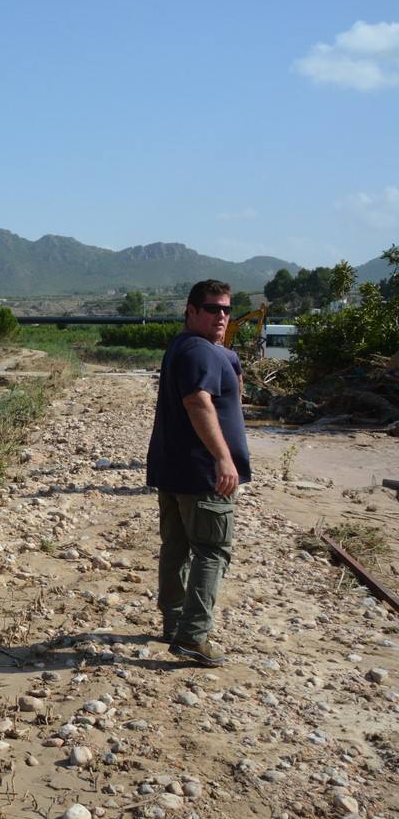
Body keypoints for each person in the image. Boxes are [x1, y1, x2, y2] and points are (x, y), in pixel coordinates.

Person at [145, 279, 250, 667]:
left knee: (176, 546)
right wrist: (224, 458)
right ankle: (192, 636)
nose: (221, 316)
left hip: (174, 468)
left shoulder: (187, 347)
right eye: (212, 309)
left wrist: (228, 358)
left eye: (226, 309)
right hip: (203, 471)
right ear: (191, 311)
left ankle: (174, 622)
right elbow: (197, 402)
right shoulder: (199, 352)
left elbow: (230, 390)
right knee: (211, 551)